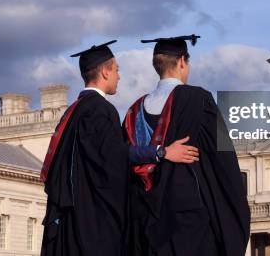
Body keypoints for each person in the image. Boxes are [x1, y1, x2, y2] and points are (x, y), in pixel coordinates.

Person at [40, 40, 199, 256]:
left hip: (70, 219)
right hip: (93, 223)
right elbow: (115, 154)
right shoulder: (100, 110)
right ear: (105, 72)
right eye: (116, 70)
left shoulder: (73, 112)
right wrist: (161, 152)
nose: (119, 76)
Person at [123, 35, 251, 256]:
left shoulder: (134, 110)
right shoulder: (198, 100)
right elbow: (222, 161)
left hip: (144, 217)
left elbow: (122, 157)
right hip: (189, 219)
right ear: (182, 61)